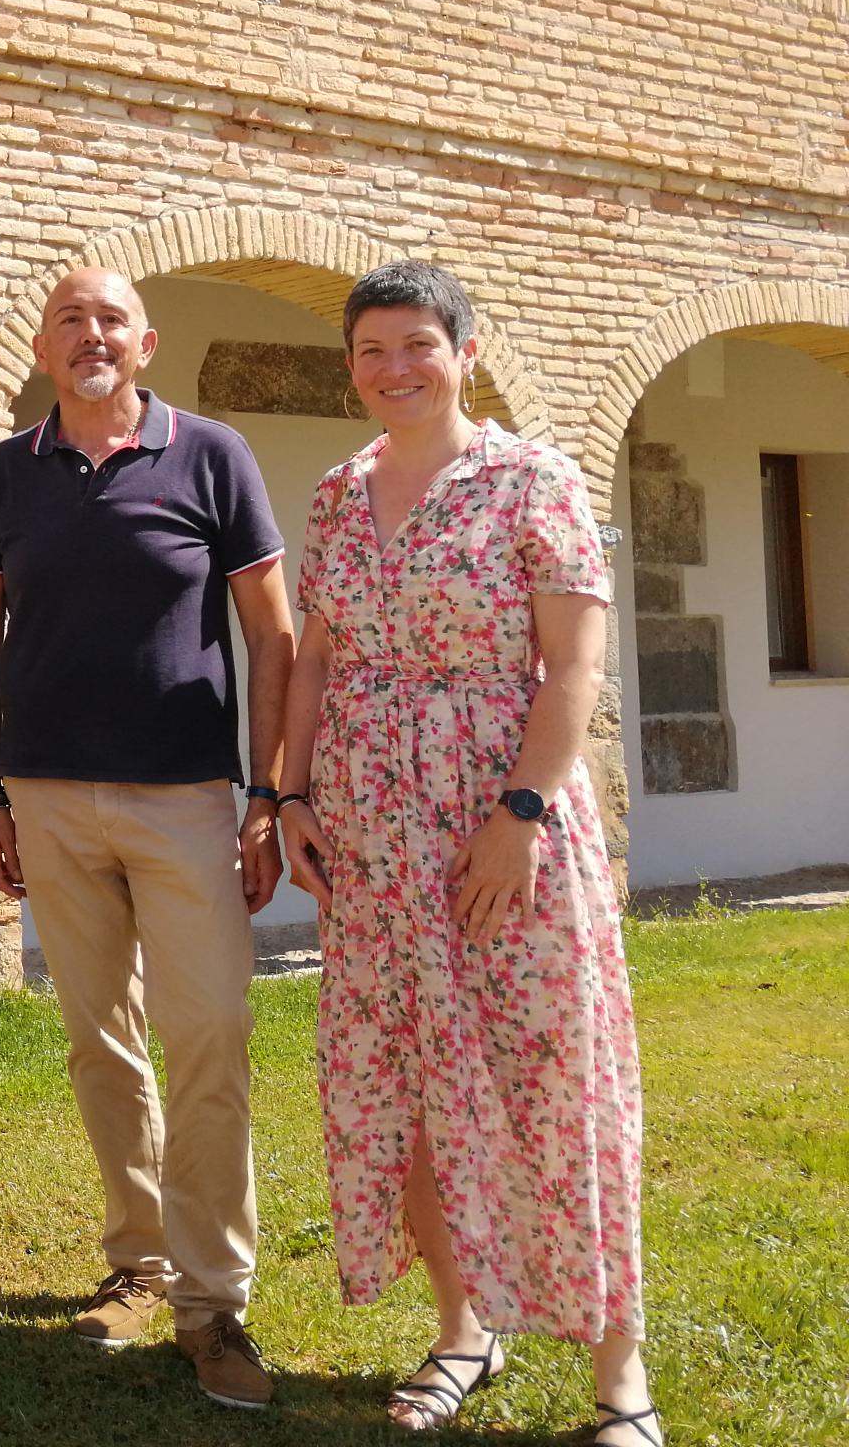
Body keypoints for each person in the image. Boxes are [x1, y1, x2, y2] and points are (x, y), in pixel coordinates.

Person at [275, 261, 653, 1442]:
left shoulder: (533, 478)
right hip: (372, 841)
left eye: (417, 345)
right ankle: (461, 1331)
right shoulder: (338, 495)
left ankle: (620, 1377)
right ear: (351, 366)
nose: (394, 368)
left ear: (464, 355)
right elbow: (315, 660)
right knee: (406, 1089)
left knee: (553, 1082)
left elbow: (573, 668)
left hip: (502, 832)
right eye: (371, 350)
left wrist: (517, 815)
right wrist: (290, 794)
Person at [0, 265, 295, 1411]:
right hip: (48, 800)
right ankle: (141, 1265)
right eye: (69, 319)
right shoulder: (3, 473)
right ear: (41, 348)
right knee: (100, 1042)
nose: (90, 335)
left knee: (209, 1038)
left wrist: (266, 793)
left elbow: (273, 636)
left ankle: (213, 1302)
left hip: (186, 799)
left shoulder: (212, 457)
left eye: (110, 320)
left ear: (145, 342)